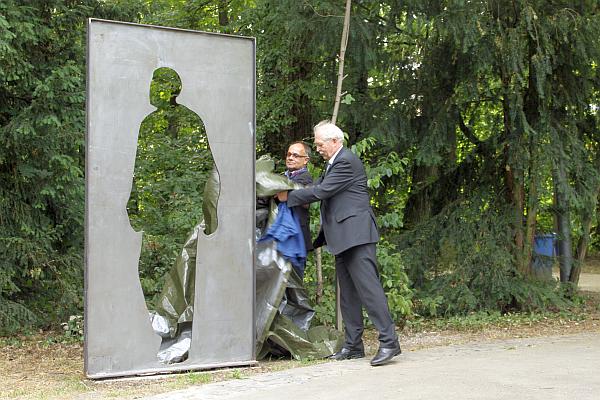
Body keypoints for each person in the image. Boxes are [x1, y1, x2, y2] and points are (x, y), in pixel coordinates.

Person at [276, 120, 401, 366]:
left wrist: (288, 196)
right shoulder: (333, 163)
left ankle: (390, 342)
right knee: (348, 296)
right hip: (343, 238)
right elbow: (323, 191)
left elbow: (322, 191)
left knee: (369, 290)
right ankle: (353, 346)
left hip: (357, 236)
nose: (317, 149)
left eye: (320, 144)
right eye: (316, 144)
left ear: (335, 141)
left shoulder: (346, 161)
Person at [284, 141, 314, 278]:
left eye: (295, 155)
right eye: (289, 154)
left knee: (294, 283)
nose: (290, 158)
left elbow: (305, 201)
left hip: (297, 240)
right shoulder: (282, 177)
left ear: (305, 160)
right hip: (282, 237)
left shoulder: (305, 178)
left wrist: (283, 194)